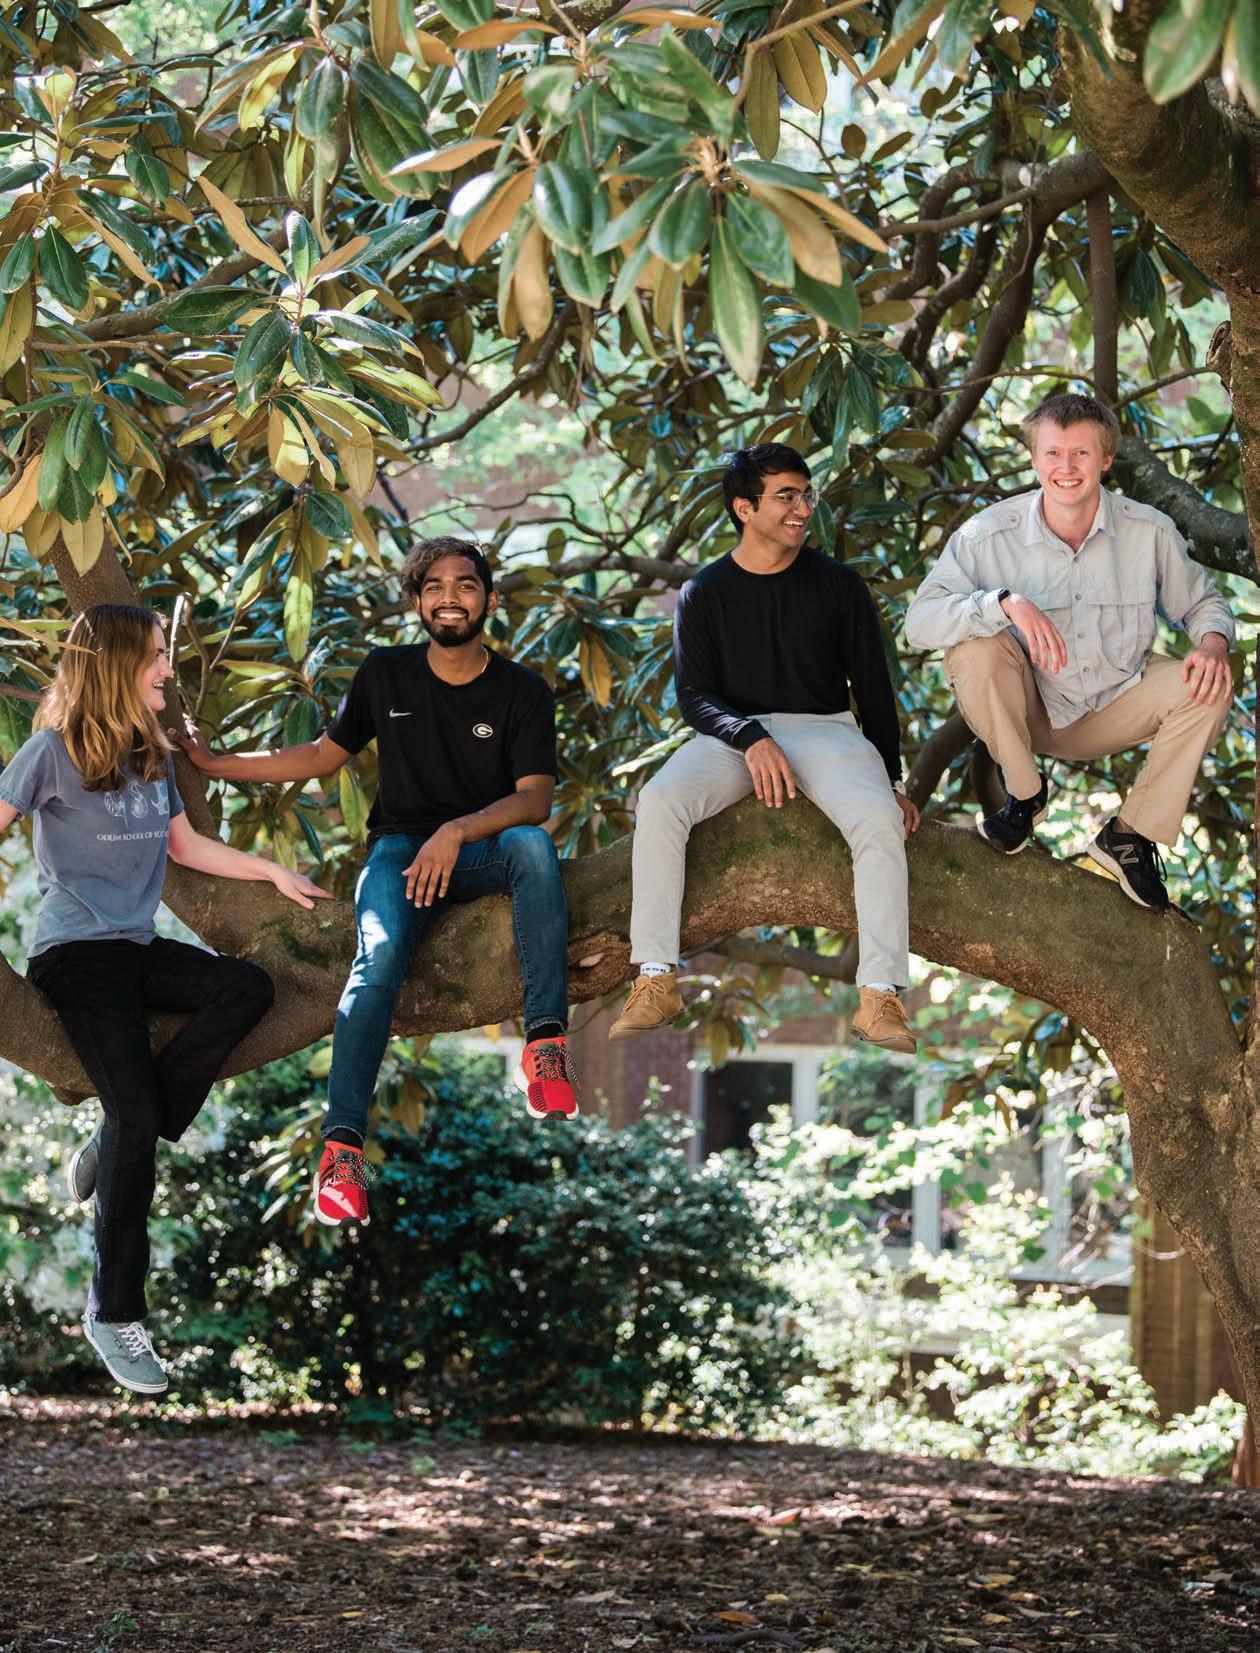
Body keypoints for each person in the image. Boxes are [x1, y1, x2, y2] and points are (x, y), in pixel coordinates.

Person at [175, 536, 576, 1230]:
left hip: (483, 852)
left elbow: (535, 798)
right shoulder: (386, 673)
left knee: (534, 847)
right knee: (377, 959)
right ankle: (342, 1152)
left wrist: (457, 832)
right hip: (400, 854)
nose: (450, 598)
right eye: (434, 586)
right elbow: (320, 755)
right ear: (417, 601)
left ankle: (545, 1044)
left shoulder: (523, 690)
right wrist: (216, 764)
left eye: (465, 585)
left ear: (488, 599)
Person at [0, 603, 327, 1396]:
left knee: (245, 986)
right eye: (154, 655)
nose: (166, 668)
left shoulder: (150, 753)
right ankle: (112, 1311)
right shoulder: (49, 752)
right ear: (116, 663)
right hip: (75, 957)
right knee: (140, 1114)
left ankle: (118, 1129)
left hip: (136, 949)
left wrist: (271, 870)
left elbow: (185, 847)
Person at [610, 443, 921, 1054]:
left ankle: (879, 995)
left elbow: (874, 690)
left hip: (827, 730)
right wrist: (750, 737)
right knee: (661, 801)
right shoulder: (704, 590)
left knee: (878, 819)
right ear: (744, 508)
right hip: (732, 735)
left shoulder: (840, 586)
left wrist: (892, 781)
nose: (803, 508)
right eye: (786, 496)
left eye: (806, 494)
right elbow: (694, 696)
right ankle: (655, 978)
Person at [903, 392, 1235, 909]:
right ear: (1034, 460)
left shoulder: (1148, 530)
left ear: (1106, 459)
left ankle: (1129, 836)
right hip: (1029, 712)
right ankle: (1024, 795)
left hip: (1117, 701)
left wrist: (1213, 644)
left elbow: (1202, 603)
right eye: (1053, 453)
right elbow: (919, 623)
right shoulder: (988, 535)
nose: (1066, 467)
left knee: (1210, 684)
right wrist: (1005, 604)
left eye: (1081, 453)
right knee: (972, 649)